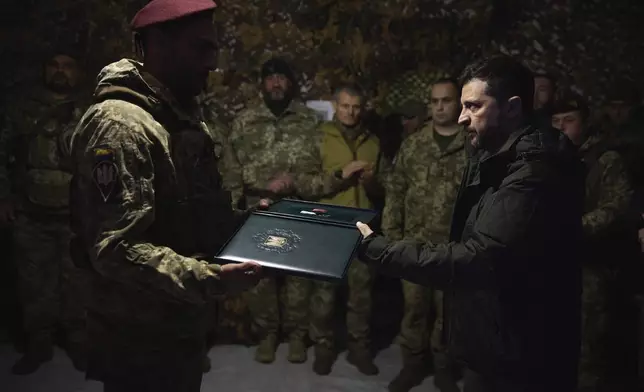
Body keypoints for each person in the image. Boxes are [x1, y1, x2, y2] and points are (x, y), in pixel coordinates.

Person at [355, 55, 584, 392]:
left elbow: (479, 257)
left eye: (473, 106)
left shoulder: (534, 171)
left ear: (512, 108)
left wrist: (381, 250)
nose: (462, 117)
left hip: (520, 348)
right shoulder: (495, 152)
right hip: (498, 333)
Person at [69, 1, 263, 390]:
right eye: (201, 48)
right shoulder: (122, 125)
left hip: (176, 322)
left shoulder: (178, 115)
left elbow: (186, 210)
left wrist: (249, 223)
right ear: (156, 46)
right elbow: (115, 249)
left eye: (213, 48)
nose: (213, 63)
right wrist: (211, 279)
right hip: (139, 336)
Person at [230, 58, 367, 364]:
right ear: (262, 83)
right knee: (258, 277)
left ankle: (296, 336)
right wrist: (242, 202)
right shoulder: (244, 121)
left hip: (298, 207)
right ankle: (267, 335)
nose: (277, 82)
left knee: (298, 279)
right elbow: (231, 168)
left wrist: (298, 182)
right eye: (270, 78)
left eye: (282, 77)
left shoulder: (310, 122)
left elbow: (319, 168)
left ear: (290, 83)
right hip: (257, 208)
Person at [0, 47, 88, 374]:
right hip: (30, 212)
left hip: (74, 215)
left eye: (68, 65)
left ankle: (80, 345)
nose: (60, 72)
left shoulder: (89, 111)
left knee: (77, 284)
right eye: (54, 65)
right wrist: (4, 196)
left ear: (78, 72)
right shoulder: (22, 110)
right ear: (45, 70)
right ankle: (38, 347)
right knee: (34, 283)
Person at [382, 79, 466, 392]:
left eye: (446, 100)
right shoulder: (414, 145)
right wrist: (391, 236)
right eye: (434, 101)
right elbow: (395, 190)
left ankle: (444, 369)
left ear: (458, 103)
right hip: (414, 245)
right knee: (414, 310)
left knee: (448, 314)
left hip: (453, 248)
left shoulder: (473, 146)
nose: (440, 107)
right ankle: (412, 366)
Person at [551, 91, 634, 390]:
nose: (561, 127)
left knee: (588, 347)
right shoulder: (544, 158)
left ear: (584, 124)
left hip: (589, 266)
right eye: (556, 120)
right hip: (548, 266)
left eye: (569, 121)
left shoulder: (604, 159)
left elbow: (617, 207)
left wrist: (574, 228)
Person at [308, 84, 381, 376]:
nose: (351, 112)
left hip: (362, 231)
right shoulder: (319, 138)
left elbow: (384, 190)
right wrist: (341, 174)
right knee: (324, 297)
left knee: (361, 297)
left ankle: (358, 350)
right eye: (345, 106)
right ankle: (324, 348)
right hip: (329, 228)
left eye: (356, 107)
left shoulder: (372, 141)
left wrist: (372, 183)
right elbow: (307, 184)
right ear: (336, 106)